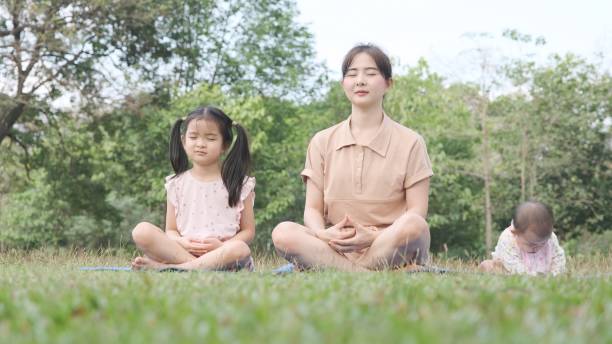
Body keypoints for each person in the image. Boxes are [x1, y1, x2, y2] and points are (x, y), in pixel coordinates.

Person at [272, 44, 433, 271]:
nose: (360, 80)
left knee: (415, 226)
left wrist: (374, 236)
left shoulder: (411, 142)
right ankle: (365, 274)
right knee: (283, 232)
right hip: (335, 247)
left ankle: (339, 270)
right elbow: (312, 209)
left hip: (388, 244)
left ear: (388, 83)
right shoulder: (322, 140)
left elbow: (417, 211)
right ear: (343, 84)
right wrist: (323, 234)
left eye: (370, 73)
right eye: (352, 74)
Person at [131, 106, 256, 271]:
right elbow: (171, 230)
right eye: (193, 137)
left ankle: (175, 268)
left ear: (224, 145)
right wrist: (181, 242)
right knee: (142, 231)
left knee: (240, 249)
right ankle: (194, 267)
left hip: (224, 255)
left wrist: (222, 245)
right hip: (182, 252)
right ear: (183, 141)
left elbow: (248, 231)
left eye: (210, 138)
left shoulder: (240, 183)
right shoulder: (176, 184)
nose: (200, 144)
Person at [479, 201, 566, 275]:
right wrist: (532, 277)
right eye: (531, 244)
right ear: (517, 233)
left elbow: (558, 257)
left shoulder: (550, 237)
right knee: (489, 265)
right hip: (510, 269)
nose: (537, 248)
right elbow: (512, 265)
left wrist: (555, 274)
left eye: (543, 243)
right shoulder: (509, 239)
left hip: (542, 272)